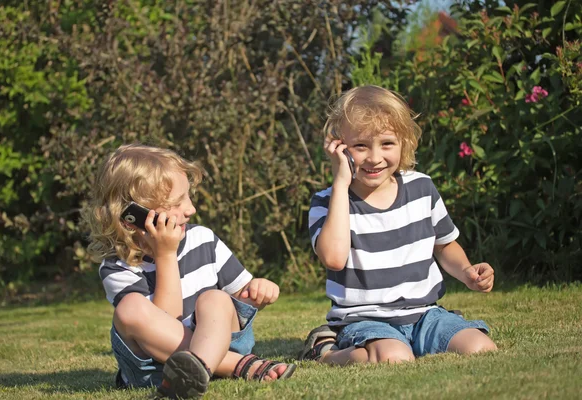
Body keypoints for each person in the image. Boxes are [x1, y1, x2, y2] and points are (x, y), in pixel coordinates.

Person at [298, 85, 497, 365]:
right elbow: (333, 258)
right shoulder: (328, 202)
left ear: (404, 141)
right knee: (395, 358)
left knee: (481, 347)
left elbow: (444, 245)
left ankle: (408, 342)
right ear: (340, 147)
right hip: (365, 320)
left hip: (426, 314)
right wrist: (341, 181)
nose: (375, 157)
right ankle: (325, 353)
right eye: (360, 146)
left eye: (387, 143)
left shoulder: (421, 187)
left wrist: (466, 272)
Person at [83, 144, 296, 399]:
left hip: (220, 343)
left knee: (216, 298)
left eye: (188, 197)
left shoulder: (203, 239)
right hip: (156, 367)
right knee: (129, 309)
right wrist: (165, 254)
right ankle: (236, 366)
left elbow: (239, 299)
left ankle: (199, 370)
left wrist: (257, 293)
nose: (190, 209)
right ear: (133, 216)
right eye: (176, 202)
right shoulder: (118, 267)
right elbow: (167, 320)